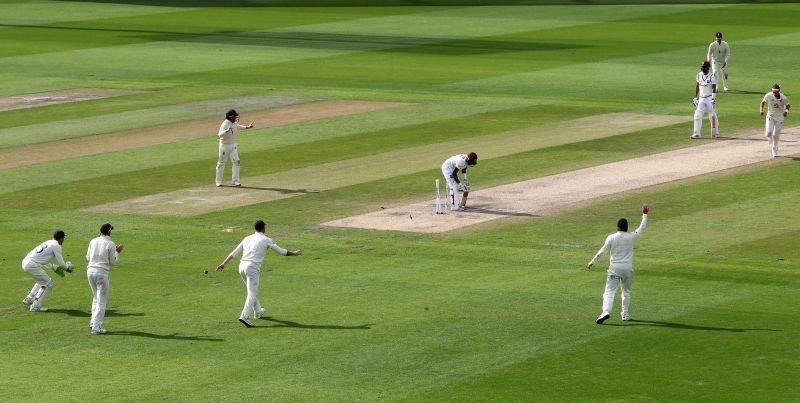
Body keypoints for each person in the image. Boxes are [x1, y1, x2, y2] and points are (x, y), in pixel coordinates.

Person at [216, 220, 301, 327]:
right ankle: (244, 316)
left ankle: (258, 311)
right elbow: (281, 251)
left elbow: (234, 252)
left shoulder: (247, 238)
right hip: (252, 268)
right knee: (252, 293)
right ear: (263, 228)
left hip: (242, 267)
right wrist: (294, 253)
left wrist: (224, 263)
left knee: (251, 291)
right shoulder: (266, 239)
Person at [587, 204, 649, 324]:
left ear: (617, 227)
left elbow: (603, 251)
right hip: (627, 269)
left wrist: (592, 261)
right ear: (627, 227)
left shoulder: (611, 237)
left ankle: (606, 311)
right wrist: (645, 214)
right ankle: (625, 314)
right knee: (626, 292)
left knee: (609, 292)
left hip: (614, 269)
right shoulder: (631, 236)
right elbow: (641, 228)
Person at [21, 230, 74, 312]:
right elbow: (62, 264)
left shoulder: (48, 242)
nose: (63, 240)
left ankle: (29, 299)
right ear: (61, 238)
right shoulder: (57, 246)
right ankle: (35, 306)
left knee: (42, 281)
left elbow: (41, 258)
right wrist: (68, 268)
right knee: (48, 283)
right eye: (63, 238)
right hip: (32, 264)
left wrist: (53, 267)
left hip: (26, 262)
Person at [86, 223, 124, 335]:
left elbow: (88, 257)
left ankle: (93, 322)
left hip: (90, 271)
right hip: (102, 273)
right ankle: (96, 328)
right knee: (101, 301)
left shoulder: (93, 241)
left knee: (95, 298)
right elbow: (112, 262)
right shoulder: (110, 244)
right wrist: (117, 252)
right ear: (109, 231)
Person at [215, 109, 254, 187]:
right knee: (221, 163)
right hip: (224, 146)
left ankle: (235, 181)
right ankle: (218, 181)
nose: (236, 118)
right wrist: (225, 131)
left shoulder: (234, 123)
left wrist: (247, 127)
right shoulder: (224, 125)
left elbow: (238, 126)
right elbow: (219, 135)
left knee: (237, 161)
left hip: (233, 145)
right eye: (235, 116)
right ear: (231, 117)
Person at [760, 84, 791, 158]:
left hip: (780, 117)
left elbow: (788, 105)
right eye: (773, 91)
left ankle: (774, 149)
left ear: (779, 91)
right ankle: (769, 137)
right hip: (770, 116)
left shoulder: (783, 98)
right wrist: (761, 110)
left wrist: (786, 111)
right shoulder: (768, 95)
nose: (774, 93)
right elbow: (763, 102)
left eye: (775, 92)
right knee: (768, 133)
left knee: (776, 135)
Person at [691, 61, 719, 139]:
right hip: (701, 98)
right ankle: (697, 133)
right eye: (702, 67)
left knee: (712, 115)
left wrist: (713, 98)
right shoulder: (699, 75)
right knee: (697, 115)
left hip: (710, 98)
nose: (703, 68)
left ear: (708, 68)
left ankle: (716, 132)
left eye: (704, 67)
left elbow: (714, 87)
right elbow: (697, 86)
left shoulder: (711, 76)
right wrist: (695, 97)